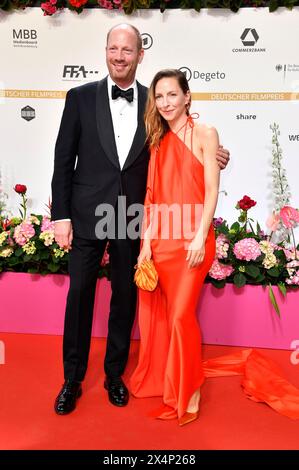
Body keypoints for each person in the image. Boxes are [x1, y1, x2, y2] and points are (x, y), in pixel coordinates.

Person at [51, 25, 230, 415]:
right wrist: (61, 215)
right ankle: (72, 379)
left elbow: (186, 142)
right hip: (87, 212)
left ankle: (114, 374)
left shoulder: (156, 101)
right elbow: (63, 159)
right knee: (79, 294)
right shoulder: (79, 98)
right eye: (113, 49)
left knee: (125, 295)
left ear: (140, 54)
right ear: (105, 52)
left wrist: (217, 154)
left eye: (127, 50)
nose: (119, 56)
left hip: (135, 215)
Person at [130, 69, 220, 426]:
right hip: (162, 242)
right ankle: (171, 380)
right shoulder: (156, 140)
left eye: (172, 95)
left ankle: (190, 389)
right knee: (167, 317)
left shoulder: (205, 134)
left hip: (193, 242)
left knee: (182, 315)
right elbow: (152, 199)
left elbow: (212, 190)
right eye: (160, 97)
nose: (166, 103)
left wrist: (200, 235)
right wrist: (145, 246)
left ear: (186, 96)